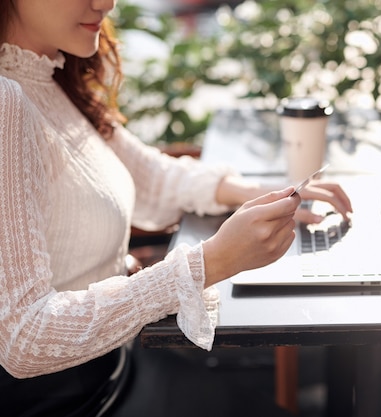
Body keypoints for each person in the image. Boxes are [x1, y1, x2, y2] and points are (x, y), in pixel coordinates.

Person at [0, 0, 353, 416]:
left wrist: (265, 191)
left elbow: (147, 177)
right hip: (76, 401)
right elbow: (23, 339)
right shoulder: (7, 100)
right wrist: (209, 262)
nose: (106, 3)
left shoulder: (51, 72)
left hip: (118, 363)